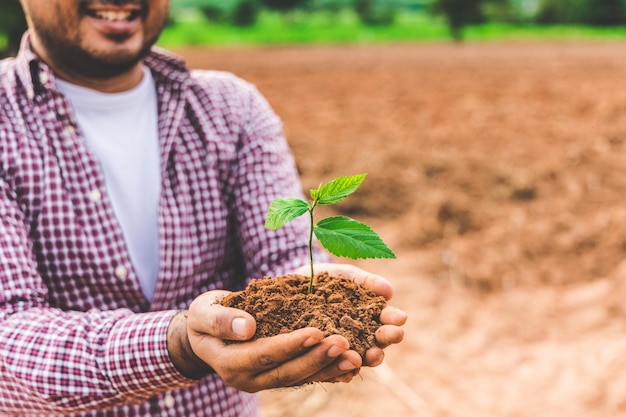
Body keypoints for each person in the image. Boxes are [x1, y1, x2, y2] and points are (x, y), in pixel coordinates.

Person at [0, 0, 407, 415]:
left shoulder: (231, 108)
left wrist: (311, 288)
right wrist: (180, 342)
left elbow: (281, 257)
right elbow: (8, 327)